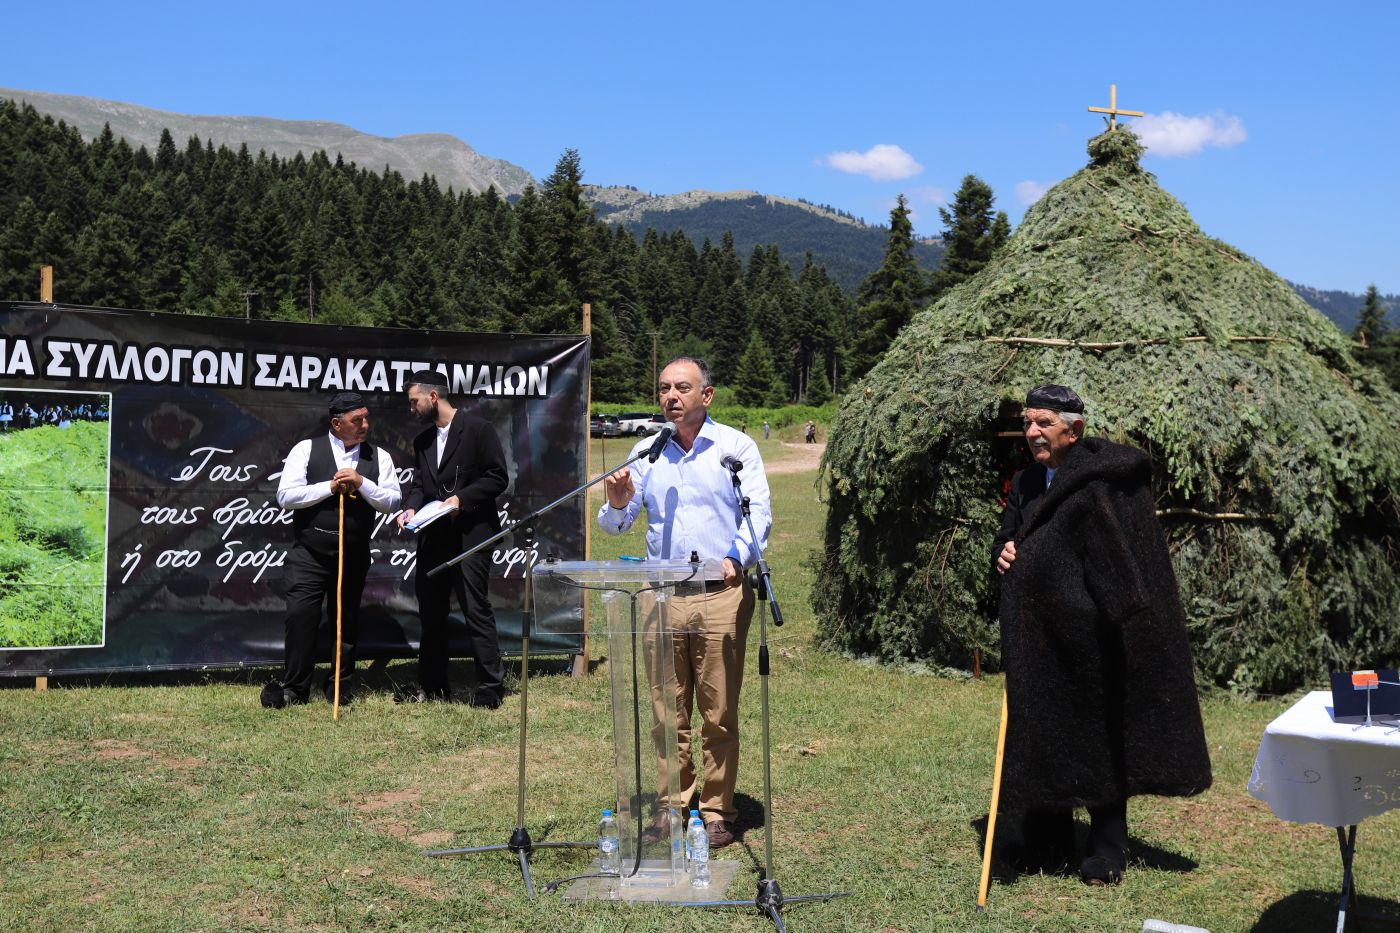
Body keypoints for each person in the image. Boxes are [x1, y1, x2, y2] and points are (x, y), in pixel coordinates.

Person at [991, 384, 1212, 885]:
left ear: (1074, 430)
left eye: (1044, 423)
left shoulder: (1107, 480)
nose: (1032, 432)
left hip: (1092, 635)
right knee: (1043, 734)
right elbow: (1009, 534)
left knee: (1097, 736)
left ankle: (1107, 850)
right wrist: (1003, 550)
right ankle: (1046, 841)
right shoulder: (1027, 480)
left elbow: (1128, 558)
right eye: (1028, 423)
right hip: (1037, 638)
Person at [599, 357, 771, 849]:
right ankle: (672, 806)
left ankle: (716, 811)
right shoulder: (646, 452)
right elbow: (615, 524)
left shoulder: (736, 447)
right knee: (666, 712)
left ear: (706, 395)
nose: (670, 397)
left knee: (718, 711)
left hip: (721, 594)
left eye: (681, 388)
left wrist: (737, 556)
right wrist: (617, 500)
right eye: (663, 389)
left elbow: (758, 514)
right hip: (661, 596)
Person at [263, 392, 401, 708]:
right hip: (309, 554)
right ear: (337, 424)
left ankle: (339, 685)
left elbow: (393, 501)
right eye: (357, 420)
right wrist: (329, 487)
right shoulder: (306, 449)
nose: (365, 425)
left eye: (366, 418)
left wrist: (361, 482)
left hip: (352, 553)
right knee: (301, 617)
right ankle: (295, 687)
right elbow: (286, 496)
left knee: (345, 620)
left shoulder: (379, 457)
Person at [396, 371, 508, 707]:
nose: (411, 409)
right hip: (433, 536)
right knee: (431, 611)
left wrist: (462, 499)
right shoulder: (423, 441)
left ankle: (490, 686)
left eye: (414, 401)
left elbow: (497, 477)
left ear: (433, 397)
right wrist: (410, 508)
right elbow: (420, 485)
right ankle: (433, 685)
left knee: (475, 608)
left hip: (471, 536)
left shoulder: (478, 430)